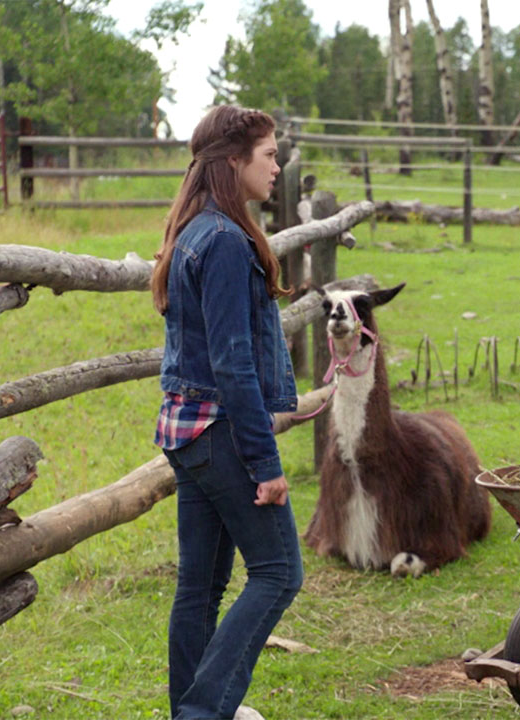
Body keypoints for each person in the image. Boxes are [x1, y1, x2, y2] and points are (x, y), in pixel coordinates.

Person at [151, 105, 331, 720]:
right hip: (221, 432)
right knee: (279, 573)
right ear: (234, 162)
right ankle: (202, 713)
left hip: (186, 431)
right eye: (270, 155)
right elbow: (232, 364)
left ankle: (189, 710)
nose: (278, 166)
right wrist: (265, 464)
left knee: (199, 587)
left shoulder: (196, 229)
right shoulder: (226, 242)